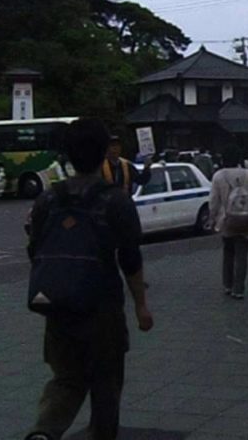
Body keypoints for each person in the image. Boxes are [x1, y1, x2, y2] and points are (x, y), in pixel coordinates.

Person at [25, 118, 153, 440]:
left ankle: (44, 431)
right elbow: (130, 258)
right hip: (102, 307)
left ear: (68, 155)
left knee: (66, 378)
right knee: (106, 382)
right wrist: (141, 306)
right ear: (103, 155)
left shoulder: (48, 199)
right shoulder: (115, 200)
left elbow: (34, 250)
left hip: (56, 306)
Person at [209, 146, 248, 299]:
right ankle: (239, 288)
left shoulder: (218, 176)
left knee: (228, 252)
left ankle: (227, 284)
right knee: (242, 253)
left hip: (226, 219)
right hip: (247, 218)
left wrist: (212, 217)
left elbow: (214, 201)